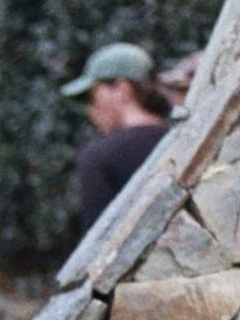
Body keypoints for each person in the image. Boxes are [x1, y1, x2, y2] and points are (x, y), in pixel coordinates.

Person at [62, 40, 173, 241]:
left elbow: (95, 243)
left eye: (91, 97)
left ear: (122, 89)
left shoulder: (100, 156)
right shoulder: (182, 139)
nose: (90, 110)